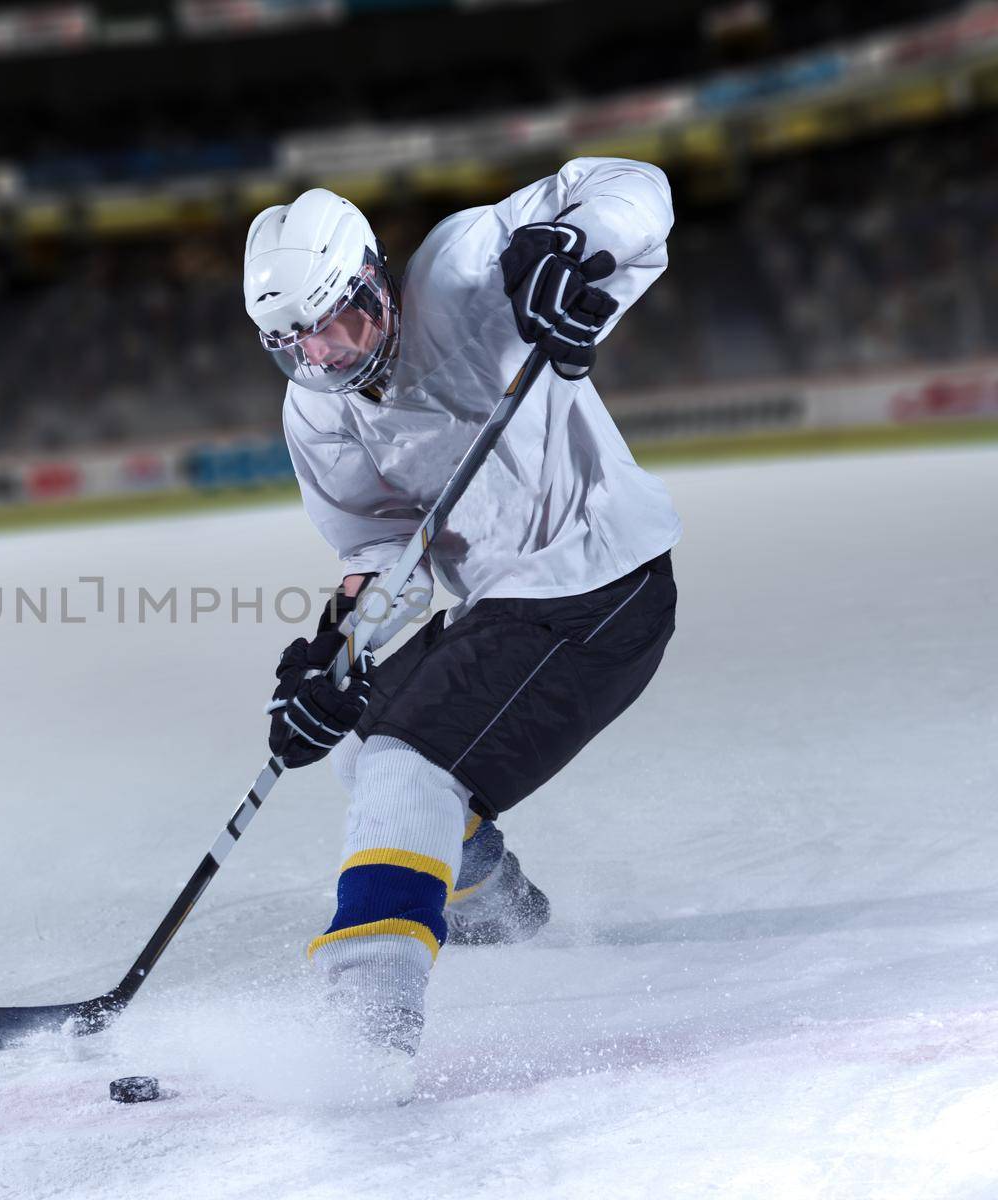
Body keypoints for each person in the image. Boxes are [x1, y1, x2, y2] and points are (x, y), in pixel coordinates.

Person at [243, 158, 681, 1088]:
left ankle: (365, 1036)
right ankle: (499, 909)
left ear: (377, 279)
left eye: (337, 319)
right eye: (295, 343)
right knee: (369, 749)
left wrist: (568, 249)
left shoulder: (464, 271)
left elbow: (635, 189)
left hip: (602, 584)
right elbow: (385, 551)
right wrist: (340, 654)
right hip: (509, 606)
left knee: (410, 766)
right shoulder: (318, 414)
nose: (324, 355)